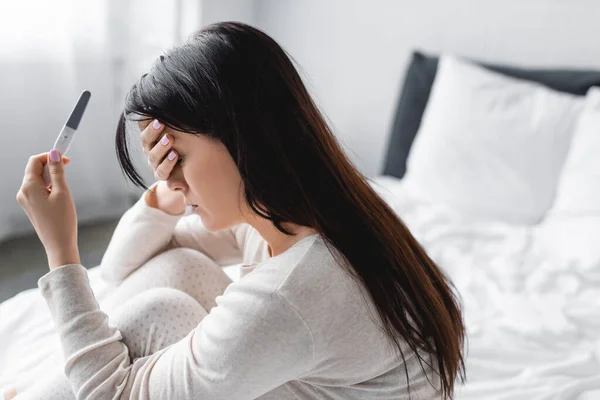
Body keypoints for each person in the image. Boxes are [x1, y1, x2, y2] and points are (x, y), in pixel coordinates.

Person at [10, 21, 466, 399]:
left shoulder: (292, 292)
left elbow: (112, 395)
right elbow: (120, 268)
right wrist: (171, 191)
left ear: (241, 138)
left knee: (157, 312)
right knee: (178, 266)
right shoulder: (302, 211)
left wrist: (61, 251)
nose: (170, 175)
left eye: (179, 156)